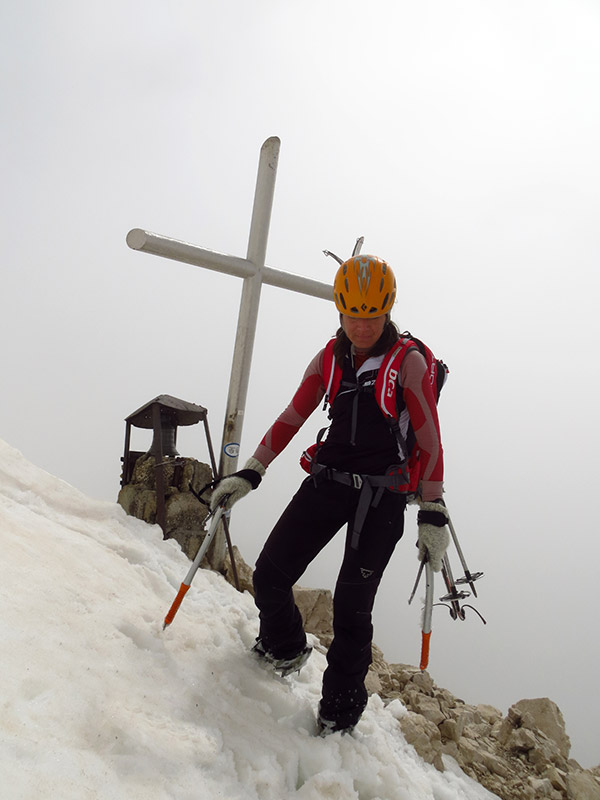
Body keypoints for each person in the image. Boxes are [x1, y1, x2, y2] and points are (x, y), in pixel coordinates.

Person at [210, 253, 449, 736]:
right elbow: (292, 415)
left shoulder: (408, 363)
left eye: (373, 316)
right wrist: (252, 470)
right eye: (353, 315)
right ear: (340, 310)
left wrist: (432, 510)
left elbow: (429, 440)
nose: (362, 326)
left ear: (388, 310)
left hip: (381, 498)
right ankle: (284, 647)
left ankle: (339, 712)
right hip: (328, 481)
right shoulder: (329, 358)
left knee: (352, 609)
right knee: (271, 574)